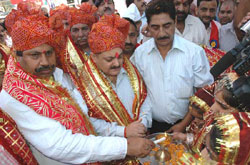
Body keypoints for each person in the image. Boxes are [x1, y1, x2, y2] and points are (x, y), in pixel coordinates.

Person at [0, 7, 154, 164]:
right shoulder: (13, 96)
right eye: (35, 55)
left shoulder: (59, 75)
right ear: (17, 55)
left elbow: (84, 116)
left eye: (49, 53)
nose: (45, 62)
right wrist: (124, 146)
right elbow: (60, 145)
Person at [62, 14, 152, 164]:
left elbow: (145, 99)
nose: (117, 63)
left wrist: (143, 124)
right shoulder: (83, 86)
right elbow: (87, 121)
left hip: (142, 145)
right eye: (109, 59)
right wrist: (122, 131)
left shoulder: (131, 72)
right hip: (111, 156)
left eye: (120, 57)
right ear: (95, 58)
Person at [131, 0, 213, 133]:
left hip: (187, 126)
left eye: (167, 25)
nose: (162, 33)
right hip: (151, 128)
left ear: (175, 21)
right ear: (148, 27)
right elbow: (136, 95)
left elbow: (204, 93)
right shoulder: (140, 55)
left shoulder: (194, 52)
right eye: (155, 27)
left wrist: (184, 124)